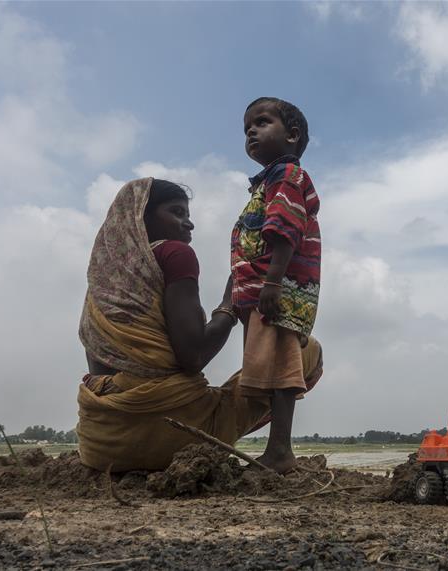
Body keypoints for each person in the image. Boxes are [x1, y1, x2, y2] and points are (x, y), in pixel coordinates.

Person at [76, 177, 323, 472]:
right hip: (168, 434)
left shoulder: (102, 280)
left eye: (188, 215)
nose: (188, 224)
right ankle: (279, 450)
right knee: (307, 351)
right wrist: (230, 303)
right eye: (177, 212)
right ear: (140, 216)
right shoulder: (175, 253)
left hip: (100, 445)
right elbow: (193, 357)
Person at [231, 97, 321, 473]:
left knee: (282, 372)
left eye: (263, 122)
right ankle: (275, 449)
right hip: (265, 294)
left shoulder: (286, 176)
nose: (252, 131)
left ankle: (280, 451)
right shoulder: (266, 183)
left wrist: (272, 284)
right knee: (267, 371)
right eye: (247, 127)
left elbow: (284, 229)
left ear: (292, 136)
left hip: (279, 293)